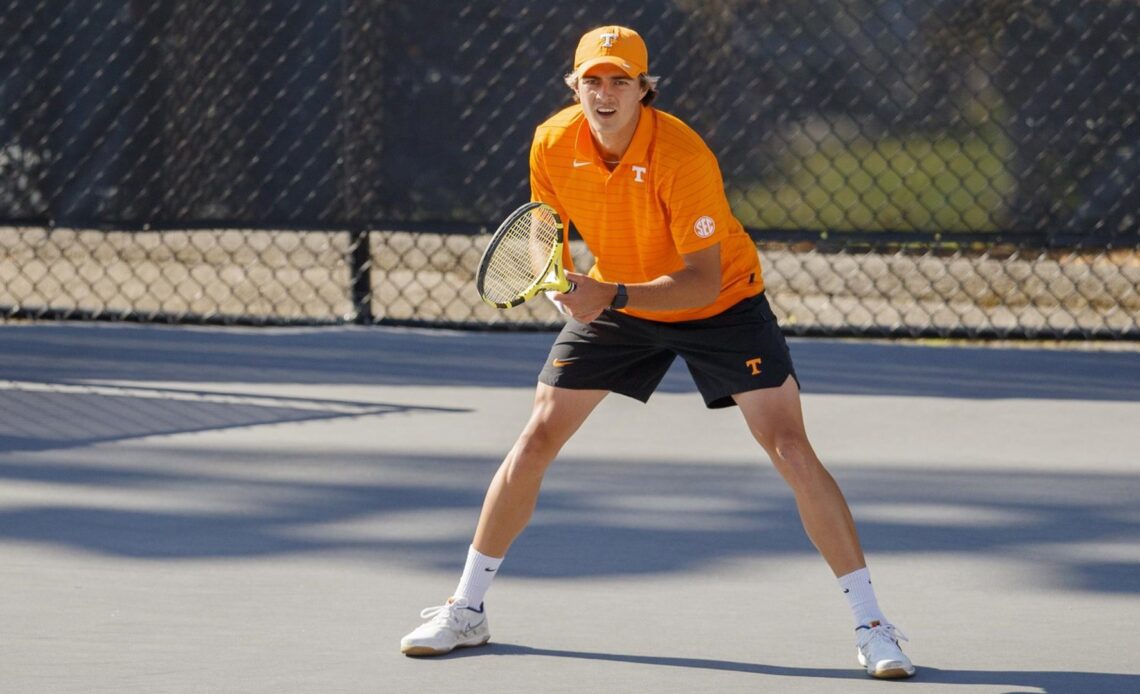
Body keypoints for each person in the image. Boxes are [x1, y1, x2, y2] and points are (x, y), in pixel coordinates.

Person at [400, 25, 916, 680]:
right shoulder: (552, 141)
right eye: (594, 80)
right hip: (617, 300)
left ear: (645, 88)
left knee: (788, 446)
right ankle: (466, 608)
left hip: (720, 303)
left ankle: (873, 625)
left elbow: (700, 278)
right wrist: (561, 287)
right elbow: (542, 233)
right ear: (575, 86)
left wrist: (607, 294)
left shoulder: (682, 155)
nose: (606, 93)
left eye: (621, 81)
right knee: (536, 437)